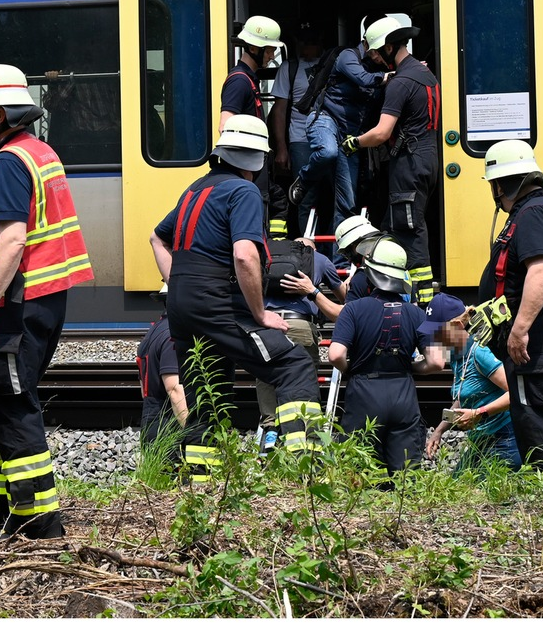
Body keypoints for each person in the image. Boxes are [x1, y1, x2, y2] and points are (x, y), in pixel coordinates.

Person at [0, 63, 93, 542]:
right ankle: (10, 507)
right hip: (39, 299)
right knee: (1, 401)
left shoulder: (11, 163)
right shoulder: (37, 152)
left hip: (18, 304)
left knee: (13, 403)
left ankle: (38, 520)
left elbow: (13, 241)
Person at [151, 114, 321, 473]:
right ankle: (302, 466)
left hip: (181, 308)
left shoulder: (194, 189)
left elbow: (157, 237)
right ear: (257, 160)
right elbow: (244, 255)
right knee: (294, 365)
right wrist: (260, 315)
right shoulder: (243, 191)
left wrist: (179, 282)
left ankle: (201, 483)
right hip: (217, 303)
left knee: (206, 394)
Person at [477, 139, 543, 485]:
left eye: (495, 185)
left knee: (539, 410)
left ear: (504, 184)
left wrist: (519, 329)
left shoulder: (533, 214)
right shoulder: (541, 209)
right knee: (533, 407)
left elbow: (541, 272)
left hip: (541, 333)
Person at [341, 16, 440, 305]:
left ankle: (422, 303)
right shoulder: (426, 75)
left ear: (388, 46)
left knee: (410, 230)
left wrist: (355, 142)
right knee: (397, 224)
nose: (371, 57)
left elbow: (382, 132)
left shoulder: (401, 83)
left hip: (408, 164)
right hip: (426, 159)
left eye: (374, 51)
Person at [327, 237, 444, 475]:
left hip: (364, 392)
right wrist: (412, 368)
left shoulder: (352, 310)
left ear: (372, 273)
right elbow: (437, 362)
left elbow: (335, 354)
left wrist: (350, 369)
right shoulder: (419, 314)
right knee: (405, 475)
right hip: (403, 393)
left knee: (361, 475)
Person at [294, 23, 389, 261]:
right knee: (327, 152)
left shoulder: (380, 67)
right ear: (367, 45)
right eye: (377, 50)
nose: (379, 56)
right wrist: (387, 77)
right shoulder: (348, 57)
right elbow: (363, 79)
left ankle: (339, 262)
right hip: (326, 120)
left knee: (347, 202)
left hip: (350, 135)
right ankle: (303, 179)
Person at [256, 237, 345, 448]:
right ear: (310, 249)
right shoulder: (319, 259)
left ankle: (270, 431)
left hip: (269, 324)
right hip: (301, 325)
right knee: (303, 379)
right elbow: (343, 297)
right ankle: (307, 435)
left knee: (266, 376)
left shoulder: (268, 259)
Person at [420, 293, 521, 475]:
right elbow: (464, 396)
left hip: (504, 440)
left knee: (470, 490)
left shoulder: (478, 354)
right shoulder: (458, 357)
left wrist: (478, 414)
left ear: (457, 327)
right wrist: (439, 431)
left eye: (437, 332)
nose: (433, 338)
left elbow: (516, 394)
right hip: (481, 441)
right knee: (455, 485)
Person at [221, 15, 289, 238]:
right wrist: (245, 169)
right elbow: (225, 126)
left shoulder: (249, 80)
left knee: (276, 200)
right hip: (249, 168)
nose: (271, 56)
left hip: (256, 166)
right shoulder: (239, 81)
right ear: (253, 47)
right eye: (269, 50)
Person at [268, 22, 325, 238]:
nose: (304, 50)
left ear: (319, 44)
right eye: (300, 43)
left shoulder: (331, 65)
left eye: (308, 44)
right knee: (305, 198)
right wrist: (282, 148)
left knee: (332, 196)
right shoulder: (289, 68)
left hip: (330, 139)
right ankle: (308, 249)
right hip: (300, 141)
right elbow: (280, 111)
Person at [280, 214, 383, 322]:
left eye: (346, 252)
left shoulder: (362, 278)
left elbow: (344, 315)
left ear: (354, 246)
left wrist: (312, 291)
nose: (348, 260)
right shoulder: (384, 268)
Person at [136, 285, 187, 451]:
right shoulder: (173, 335)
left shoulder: (155, 330)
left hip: (151, 419)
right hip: (168, 425)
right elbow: (174, 388)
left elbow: (143, 384)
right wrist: (191, 433)